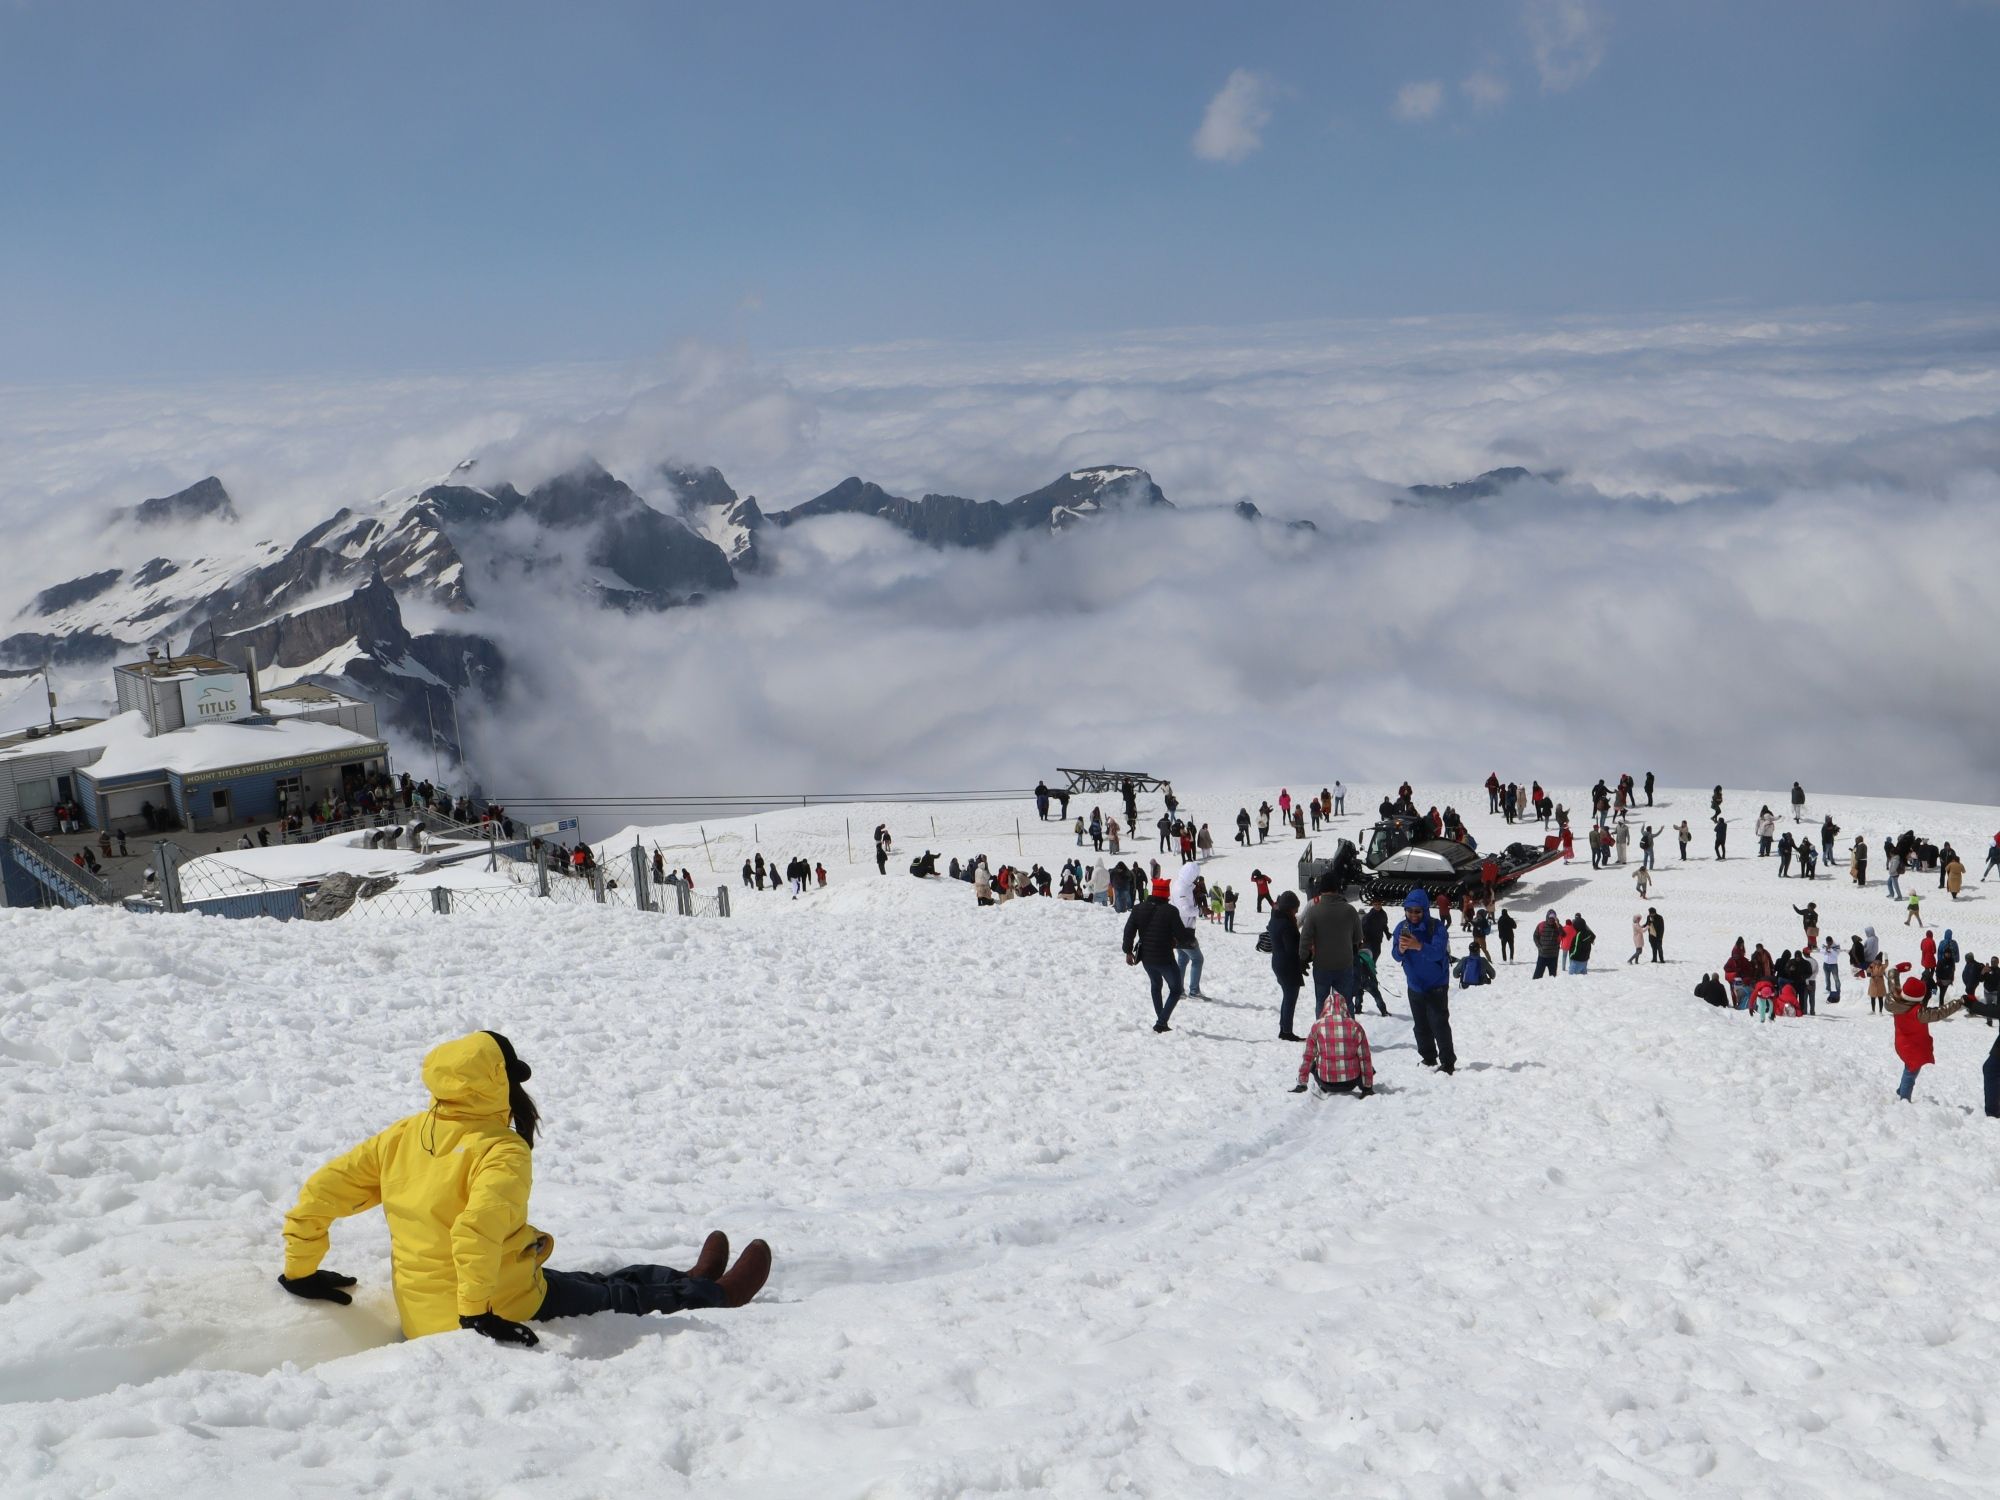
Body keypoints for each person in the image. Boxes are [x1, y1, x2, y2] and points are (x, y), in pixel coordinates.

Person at [278, 1032, 769, 1346]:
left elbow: (323, 1190)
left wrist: (300, 1271)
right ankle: (717, 1295)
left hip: (428, 1311)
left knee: (587, 1279)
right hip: (492, 1306)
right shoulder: (500, 1149)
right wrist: (476, 1315)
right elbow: (475, 1230)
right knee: (616, 1296)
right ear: (496, 1084)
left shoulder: (403, 1135)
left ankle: (689, 1275)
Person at [1391, 889, 1455, 1073]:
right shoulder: (1401, 928)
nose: (1413, 915)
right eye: (1409, 910)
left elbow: (1437, 952)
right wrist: (1402, 950)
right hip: (1415, 986)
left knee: (1439, 1024)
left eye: (1417, 911)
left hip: (1436, 985)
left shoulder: (1436, 927)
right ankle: (1428, 1058)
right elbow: (1395, 955)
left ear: (1425, 910)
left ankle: (1448, 1063)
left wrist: (1418, 945)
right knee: (1420, 1026)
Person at [1123, 876, 1191, 1033]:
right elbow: (1181, 934)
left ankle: (1161, 1019)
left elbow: (1129, 930)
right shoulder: (1171, 911)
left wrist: (1128, 951)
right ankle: (1161, 1023)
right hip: (1165, 958)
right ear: (1166, 893)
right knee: (1176, 990)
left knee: (1156, 985)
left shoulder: (1139, 908)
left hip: (1146, 958)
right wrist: (1189, 941)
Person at [1888, 978, 1966, 1101]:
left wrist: (1895, 970)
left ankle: (1901, 1089)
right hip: (1914, 1048)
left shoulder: (1894, 1002)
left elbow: (1892, 985)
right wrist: (1960, 1002)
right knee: (1911, 1072)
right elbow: (1941, 1012)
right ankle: (1904, 1100)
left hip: (1902, 1043)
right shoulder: (1918, 1013)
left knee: (1909, 1068)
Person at [1298, 873, 1363, 1020]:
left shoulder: (1314, 911)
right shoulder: (1350, 910)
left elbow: (1305, 939)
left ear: (1320, 889)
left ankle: (1322, 1035)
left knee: (1322, 1002)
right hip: (1345, 965)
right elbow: (1358, 939)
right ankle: (1349, 1034)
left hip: (1322, 964)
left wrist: (1302, 959)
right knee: (1346, 1002)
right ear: (1338, 888)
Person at [1290, 1000, 1374, 1097]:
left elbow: (1308, 1057)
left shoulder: (1317, 1026)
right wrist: (1368, 1087)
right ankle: (1364, 1084)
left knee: (1312, 1062)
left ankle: (1320, 1083)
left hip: (1326, 1083)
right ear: (1345, 1007)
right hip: (1351, 1082)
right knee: (1365, 1063)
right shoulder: (1355, 1026)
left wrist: (1302, 1083)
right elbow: (1365, 1058)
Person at [1264, 891, 1307, 1041]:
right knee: (1290, 998)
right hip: (1287, 965)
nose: (1296, 912)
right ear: (1289, 908)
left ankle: (1284, 1027)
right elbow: (1292, 949)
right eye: (1295, 908)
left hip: (1278, 962)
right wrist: (1305, 957)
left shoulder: (1276, 918)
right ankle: (1286, 1031)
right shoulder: (1286, 924)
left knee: (1287, 997)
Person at [1170, 862, 1206, 999]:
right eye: (1196, 877)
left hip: (1181, 928)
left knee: (1183, 959)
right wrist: (1201, 910)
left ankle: (1178, 990)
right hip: (1183, 931)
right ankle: (1194, 991)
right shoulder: (1182, 889)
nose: (1197, 879)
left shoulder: (1182, 885)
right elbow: (1185, 910)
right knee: (1198, 959)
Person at [1531, 909, 1562, 980]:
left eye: (1553, 917)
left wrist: (1558, 925)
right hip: (1542, 956)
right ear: (1547, 917)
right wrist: (1539, 947)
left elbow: (1563, 935)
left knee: (1553, 978)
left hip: (1553, 956)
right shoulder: (1541, 925)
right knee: (1537, 977)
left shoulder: (1558, 926)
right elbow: (1535, 936)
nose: (1551, 919)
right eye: (1550, 917)